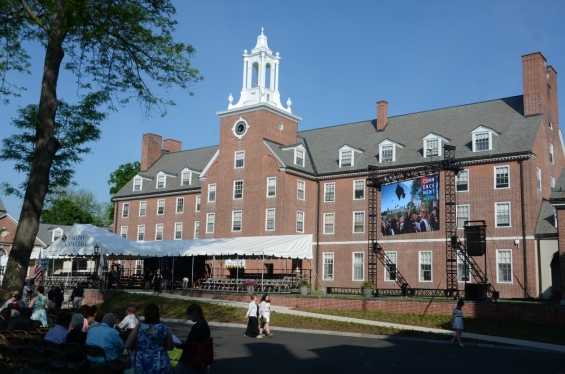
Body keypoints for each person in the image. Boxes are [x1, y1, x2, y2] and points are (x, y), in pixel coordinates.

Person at [125, 303, 174, 374]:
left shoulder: (139, 328)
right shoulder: (164, 328)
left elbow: (127, 345)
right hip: (159, 360)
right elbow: (170, 347)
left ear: (145, 314)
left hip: (140, 360)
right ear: (158, 314)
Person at [175, 303, 211, 374]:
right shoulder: (206, 326)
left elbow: (189, 346)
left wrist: (179, 345)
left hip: (192, 361)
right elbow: (199, 343)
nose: (189, 317)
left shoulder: (196, 327)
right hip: (202, 360)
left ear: (194, 313)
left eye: (189, 315)